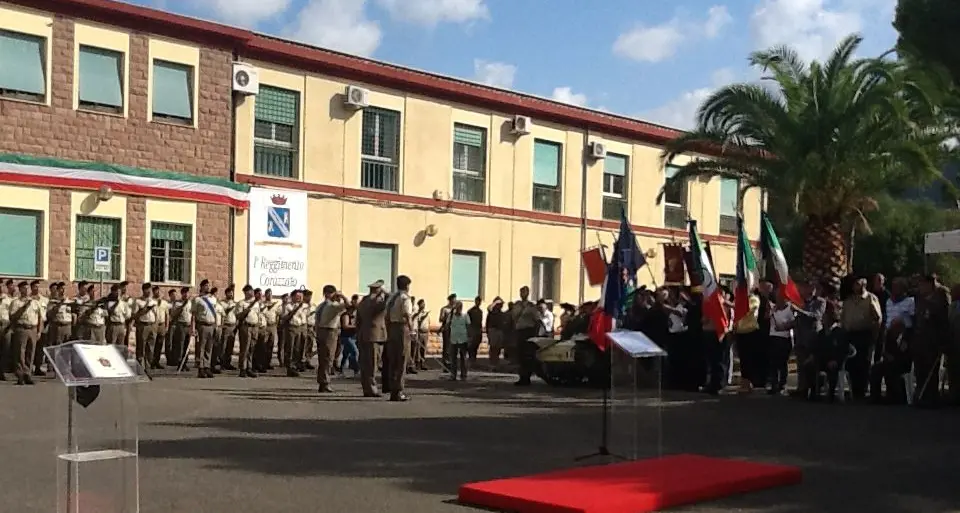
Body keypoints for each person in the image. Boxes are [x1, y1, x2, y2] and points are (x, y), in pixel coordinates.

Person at [870, 277, 914, 404]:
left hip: (903, 358)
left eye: (898, 286)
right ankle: (875, 397)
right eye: (893, 286)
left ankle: (896, 397)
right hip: (890, 337)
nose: (895, 289)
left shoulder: (910, 302)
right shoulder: (889, 301)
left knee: (892, 368)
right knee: (876, 368)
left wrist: (902, 326)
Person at [840, 277, 882, 400]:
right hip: (851, 335)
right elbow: (844, 317)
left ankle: (863, 391)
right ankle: (855, 390)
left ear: (864, 285)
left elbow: (877, 318)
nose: (856, 287)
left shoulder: (870, 298)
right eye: (855, 284)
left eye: (858, 284)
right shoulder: (848, 301)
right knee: (852, 363)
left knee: (864, 363)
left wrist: (874, 336)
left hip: (865, 335)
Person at [912, 274, 950, 407]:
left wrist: (943, 342)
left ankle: (932, 397)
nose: (920, 287)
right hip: (920, 340)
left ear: (930, 284)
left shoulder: (940, 299)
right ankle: (921, 394)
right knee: (920, 369)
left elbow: (944, 322)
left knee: (931, 370)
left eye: (923, 284)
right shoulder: (920, 299)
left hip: (933, 341)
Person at [791, 280, 826, 397]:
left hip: (813, 338)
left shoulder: (820, 302)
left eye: (812, 288)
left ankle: (814, 389)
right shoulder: (800, 302)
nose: (809, 290)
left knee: (812, 365)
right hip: (800, 337)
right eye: (806, 287)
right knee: (800, 365)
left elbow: (816, 316)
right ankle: (802, 389)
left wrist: (799, 310)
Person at [384, 275, 413, 402]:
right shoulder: (405, 298)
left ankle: (392, 389)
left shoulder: (391, 298)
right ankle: (398, 390)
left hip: (391, 328)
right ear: (407, 286)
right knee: (402, 359)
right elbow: (407, 314)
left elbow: (386, 316)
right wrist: (411, 330)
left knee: (393, 360)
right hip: (402, 328)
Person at [357, 281, 388, 397]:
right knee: (372, 364)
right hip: (375, 335)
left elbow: (358, 320)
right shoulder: (376, 302)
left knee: (365, 364)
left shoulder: (363, 301)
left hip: (364, 334)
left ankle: (366, 388)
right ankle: (372, 388)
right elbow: (389, 300)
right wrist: (384, 292)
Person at [9, 281, 43, 385]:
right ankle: (20, 375)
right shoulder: (16, 302)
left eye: (28, 288)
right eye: (24, 288)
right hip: (21, 328)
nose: (27, 290)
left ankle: (28, 374)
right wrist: (24, 307)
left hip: (32, 328)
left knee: (30, 352)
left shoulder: (35, 302)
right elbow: (13, 317)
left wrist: (39, 331)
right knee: (20, 353)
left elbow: (40, 317)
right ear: (20, 290)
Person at [315, 285, 348, 394]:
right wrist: (342, 296)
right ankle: (325, 382)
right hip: (329, 332)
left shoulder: (321, 306)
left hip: (321, 331)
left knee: (322, 358)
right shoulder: (333, 306)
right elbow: (348, 306)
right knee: (328, 358)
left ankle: (322, 382)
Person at [511, 286, 541, 386]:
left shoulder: (531, 306)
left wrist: (535, 334)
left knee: (528, 356)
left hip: (528, 332)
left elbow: (537, 320)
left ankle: (527, 377)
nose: (523, 294)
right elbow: (513, 317)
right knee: (520, 355)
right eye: (521, 292)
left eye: (525, 292)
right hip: (519, 331)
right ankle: (521, 377)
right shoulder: (517, 305)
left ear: (528, 293)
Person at [767, 292, 796, 395]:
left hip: (784, 338)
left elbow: (793, 323)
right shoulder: (773, 309)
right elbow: (766, 317)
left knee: (782, 363)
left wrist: (783, 327)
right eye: (777, 297)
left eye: (780, 298)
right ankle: (774, 384)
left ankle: (782, 385)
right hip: (773, 337)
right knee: (773, 363)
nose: (778, 300)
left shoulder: (789, 309)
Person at [192, 280, 218, 378]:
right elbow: (193, 315)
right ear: (201, 287)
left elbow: (215, 313)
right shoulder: (197, 300)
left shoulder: (213, 299)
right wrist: (193, 328)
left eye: (208, 286)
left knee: (209, 347)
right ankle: (201, 368)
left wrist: (216, 325)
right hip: (201, 325)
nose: (207, 287)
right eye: (206, 286)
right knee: (201, 348)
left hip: (211, 325)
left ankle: (207, 367)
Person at [281, 288, 308, 378]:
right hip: (292, 327)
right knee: (290, 348)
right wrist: (295, 309)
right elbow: (284, 317)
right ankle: (290, 367)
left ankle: (296, 365)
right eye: (297, 296)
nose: (299, 298)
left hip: (301, 327)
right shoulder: (288, 306)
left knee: (298, 348)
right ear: (292, 297)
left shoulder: (305, 306)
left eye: (301, 296)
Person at [236, 285, 261, 378]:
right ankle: (243, 368)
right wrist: (248, 308)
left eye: (252, 291)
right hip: (246, 327)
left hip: (254, 327)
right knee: (245, 348)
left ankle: (249, 368)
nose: (252, 293)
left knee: (252, 348)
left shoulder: (257, 304)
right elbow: (238, 316)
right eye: (249, 291)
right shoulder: (241, 303)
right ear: (245, 292)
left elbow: (258, 315)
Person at [132, 283, 159, 372]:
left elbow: (156, 314)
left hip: (152, 325)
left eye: (150, 290)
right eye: (147, 289)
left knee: (150, 348)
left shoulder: (153, 301)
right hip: (142, 325)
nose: (149, 291)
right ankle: (139, 368)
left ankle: (148, 369)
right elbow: (135, 315)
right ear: (143, 290)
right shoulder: (138, 301)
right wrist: (145, 309)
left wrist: (156, 325)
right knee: (141, 347)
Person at [448, 301, 469, 380]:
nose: (458, 309)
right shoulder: (451, 316)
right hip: (453, 339)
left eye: (460, 307)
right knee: (453, 358)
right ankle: (453, 375)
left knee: (463, 358)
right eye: (457, 307)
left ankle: (464, 375)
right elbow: (448, 326)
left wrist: (469, 338)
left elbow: (468, 326)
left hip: (463, 339)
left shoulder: (465, 316)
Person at [339, 295, 359, 376]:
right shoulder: (346, 315)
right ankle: (356, 369)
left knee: (346, 354)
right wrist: (356, 327)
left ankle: (341, 369)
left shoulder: (355, 316)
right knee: (355, 352)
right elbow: (345, 326)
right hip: (346, 337)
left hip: (353, 336)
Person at [412, 299, 430, 371]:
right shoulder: (417, 313)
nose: (423, 305)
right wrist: (422, 317)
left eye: (424, 304)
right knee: (418, 349)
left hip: (426, 333)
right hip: (419, 332)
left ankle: (423, 363)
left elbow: (428, 322)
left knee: (423, 349)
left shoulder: (426, 313)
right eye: (422, 304)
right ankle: (417, 363)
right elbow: (418, 322)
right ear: (419, 305)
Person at [467, 296, 484, 362]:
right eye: (477, 301)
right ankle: (471, 359)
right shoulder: (471, 311)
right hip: (472, 330)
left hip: (478, 330)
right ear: (475, 301)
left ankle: (474, 359)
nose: (478, 303)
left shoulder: (480, 311)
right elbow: (468, 321)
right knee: (471, 346)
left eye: (479, 301)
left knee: (476, 345)